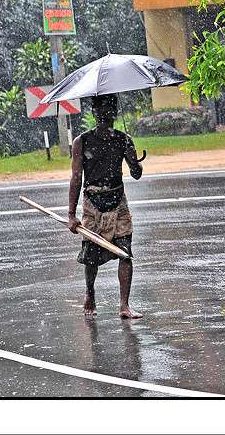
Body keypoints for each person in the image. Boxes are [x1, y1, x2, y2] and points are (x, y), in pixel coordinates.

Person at [67, 94, 144, 319]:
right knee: (91, 256)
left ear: (114, 114)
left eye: (109, 111)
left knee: (125, 253)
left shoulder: (123, 139)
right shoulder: (82, 142)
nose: (105, 116)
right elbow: (75, 178)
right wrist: (71, 215)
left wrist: (135, 161)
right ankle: (90, 292)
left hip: (118, 201)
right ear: (94, 113)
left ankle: (124, 305)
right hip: (93, 203)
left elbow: (136, 174)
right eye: (101, 112)